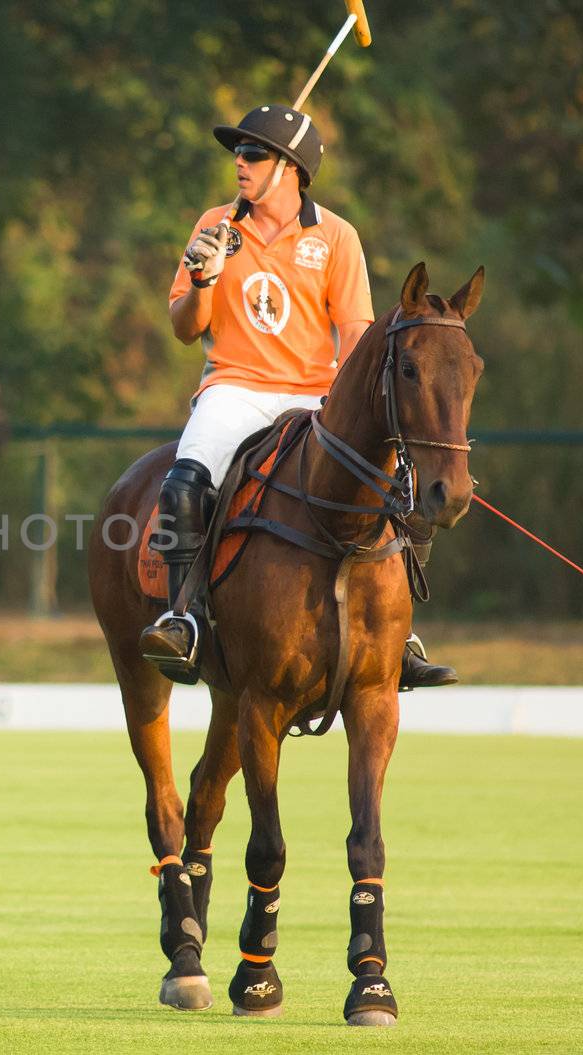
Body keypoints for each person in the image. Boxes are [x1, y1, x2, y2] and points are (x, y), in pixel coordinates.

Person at [137, 104, 456, 691]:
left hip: (315, 394)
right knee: (185, 483)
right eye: (238, 151)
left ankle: (399, 633)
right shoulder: (216, 224)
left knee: (397, 486)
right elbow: (186, 327)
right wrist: (203, 279)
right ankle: (182, 617)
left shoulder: (335, 236)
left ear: (290, 168)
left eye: (254, 153)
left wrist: (344, 404)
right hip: (233, 388)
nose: (240, 161)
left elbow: (357, 334)